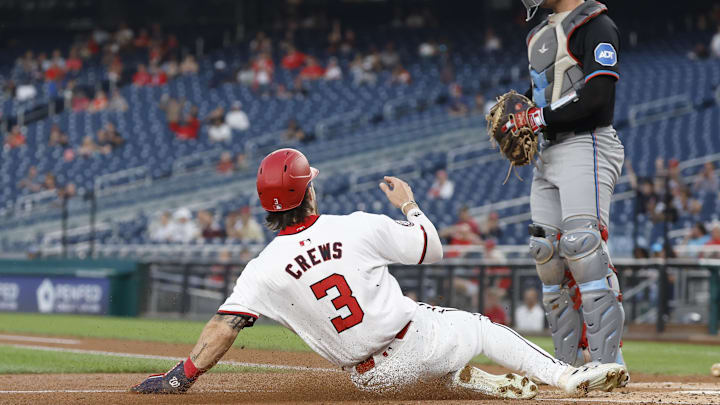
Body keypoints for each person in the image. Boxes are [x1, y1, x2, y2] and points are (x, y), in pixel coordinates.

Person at [131, 148, 626, 398]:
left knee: (427, 348)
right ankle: (566, 377)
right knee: (478, 326)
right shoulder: (356, 226)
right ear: (307, 193)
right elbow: (431, 249)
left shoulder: (261, 270)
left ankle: (486, 385)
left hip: (369, 381)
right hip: (410, 344)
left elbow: (224, 327)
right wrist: (409, 204)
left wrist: (182, 377)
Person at [504, 0, 627, 376]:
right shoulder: (541, 33)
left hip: (586, 142)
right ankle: (567, 367)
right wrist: (517, 116)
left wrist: (537, 117)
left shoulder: (596, 25)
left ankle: (608, 365)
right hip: (549, 151)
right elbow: (539, 93)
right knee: (547, 257)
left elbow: (598, 97)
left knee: (583, 248)